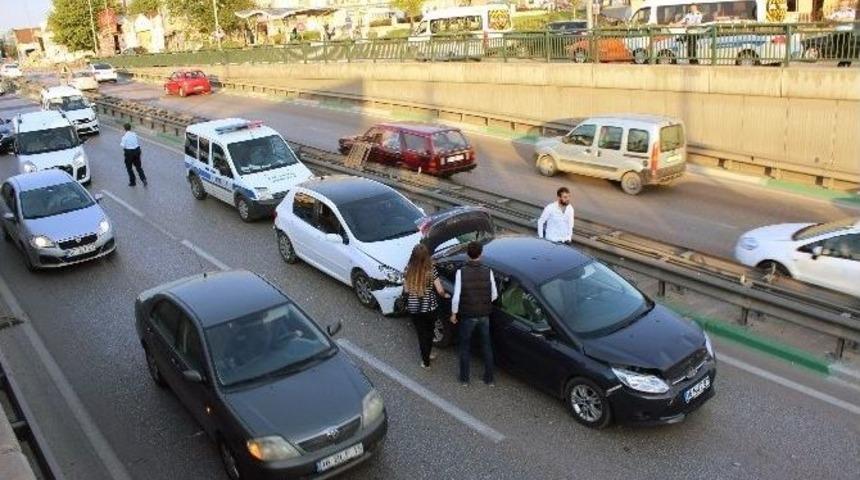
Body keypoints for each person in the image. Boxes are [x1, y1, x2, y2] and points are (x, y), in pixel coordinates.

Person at [450, 241, 498, 386]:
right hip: (484, 314)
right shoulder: (488, 270)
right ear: (481, 254)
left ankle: (465, 379)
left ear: (467, 254)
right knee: (486, 346)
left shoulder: (461, 272)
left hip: (468, 316)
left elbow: (457, 296)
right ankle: (489, 379)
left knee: (465, 346)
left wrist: (453, 313)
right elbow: (494, 294)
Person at [403, 244, 450, 368]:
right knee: (429, 333)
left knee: (421, 334)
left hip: (414, 308)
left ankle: (426, 360)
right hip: (429, 308)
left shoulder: (408, 269)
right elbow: (439, 290)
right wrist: (445, 295)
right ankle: (427, 357)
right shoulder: (431, 270)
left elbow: (406, 290)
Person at [120, 123, 147, 187]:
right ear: (130, 128)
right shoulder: (134, 134)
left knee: (129, 168)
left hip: (129, 153)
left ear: (124, 129)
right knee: (139, 167)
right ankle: (143, 179)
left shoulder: (124, 137)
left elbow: (122, 145)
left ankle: (133, 182)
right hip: (137, 151)